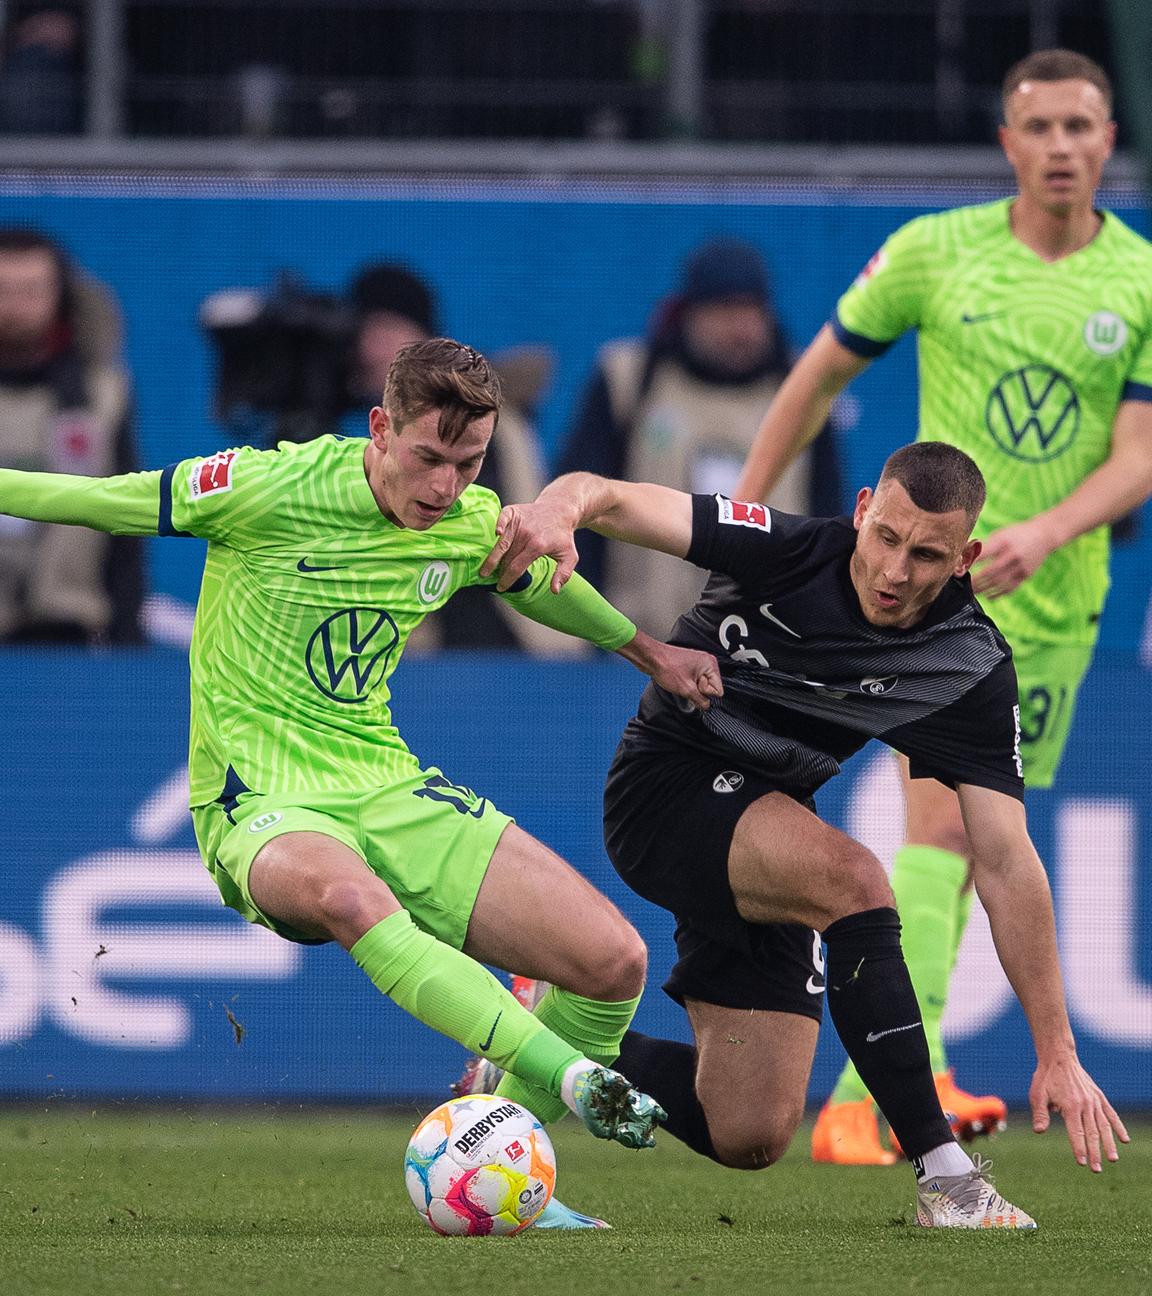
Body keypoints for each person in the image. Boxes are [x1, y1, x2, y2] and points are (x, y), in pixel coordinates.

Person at [0, 337, 726, 1229]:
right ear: (380, 428)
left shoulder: (467, 518)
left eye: (469, 463)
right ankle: (568, 1076)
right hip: (258, 797)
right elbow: (94, 500)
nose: (445, 487)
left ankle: (512, 1174)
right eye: (428, 457)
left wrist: (649, 653)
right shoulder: (271, 487)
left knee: (615, 963)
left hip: (382, 780)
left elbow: (531, 579)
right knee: (350, 896)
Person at [479, 443, 1129, 1229]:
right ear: (860, 511)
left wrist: (1056, 1048)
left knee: (748, 1130)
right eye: (885, 537)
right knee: (855, 882)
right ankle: (947, 1180)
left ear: (967, 559)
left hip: (770, 819)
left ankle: (538, 1040)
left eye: (926, 555)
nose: (894, 571)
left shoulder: (967, 664)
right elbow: (608, 494)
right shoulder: (782, 548)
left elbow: (1004, 858)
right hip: (666, 788)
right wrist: (557, 509)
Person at [733, 48, 1152, 1164]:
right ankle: (875, 1096)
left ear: (1110, 140)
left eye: (1082, 126)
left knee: (971, 839)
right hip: (912, 589)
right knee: (933, 826)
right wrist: (744, 513)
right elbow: (818, 373)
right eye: (1041, 127)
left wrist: (1048, 531)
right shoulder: (932, 252)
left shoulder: (1142, 282)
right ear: (1008, 144)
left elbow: (1141, 452)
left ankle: (902, 1080)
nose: (1062, 146)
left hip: (1056, 605)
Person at [555, 236, 842, 639]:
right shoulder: (628, 379)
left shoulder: (805, 388)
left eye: (752, 310)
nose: (742, 329)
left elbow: (825, 522)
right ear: (687, 313)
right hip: (638, 643)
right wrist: (582, 631)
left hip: (769, 651)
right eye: (725, 310)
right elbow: (581, 516)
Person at [0, 227, 143, 645]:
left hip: (70, 640)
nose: (15, 307)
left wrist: (127, 638)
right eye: (4, 290)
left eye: (32, 290)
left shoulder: (104, 396)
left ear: (60, 296)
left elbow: (126, 522)